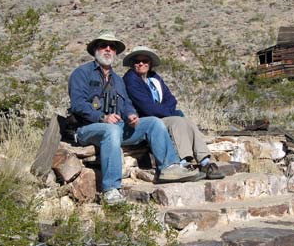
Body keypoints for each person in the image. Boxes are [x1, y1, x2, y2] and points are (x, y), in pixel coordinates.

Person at [68, 32, 203, 204]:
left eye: (112, 47)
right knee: (110, 131)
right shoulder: (82, 73)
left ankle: (169, 168)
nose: (108, 49)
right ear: (95, 49)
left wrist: (130, 115)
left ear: (115, 52)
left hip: (117, 127)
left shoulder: (117, 80)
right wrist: (102, 117)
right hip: (87, 128)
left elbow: (126, 104)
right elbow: (78, 104)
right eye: (103, 45)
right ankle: (111, 189)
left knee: (153, 123)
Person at [122, 46, 224, 180]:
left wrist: (170, 111)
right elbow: (147, 107)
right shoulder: (131, 79)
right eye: (137, 61)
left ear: (150, 63)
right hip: (147, 120)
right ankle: (183, 162)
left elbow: (171, 99)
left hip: (161, 115)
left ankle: (205, 161)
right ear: (132, 64)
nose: (141, 64)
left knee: (187, 121)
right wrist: (171, 112)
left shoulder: (154, 78)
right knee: (177, 121)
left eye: (145, 60)